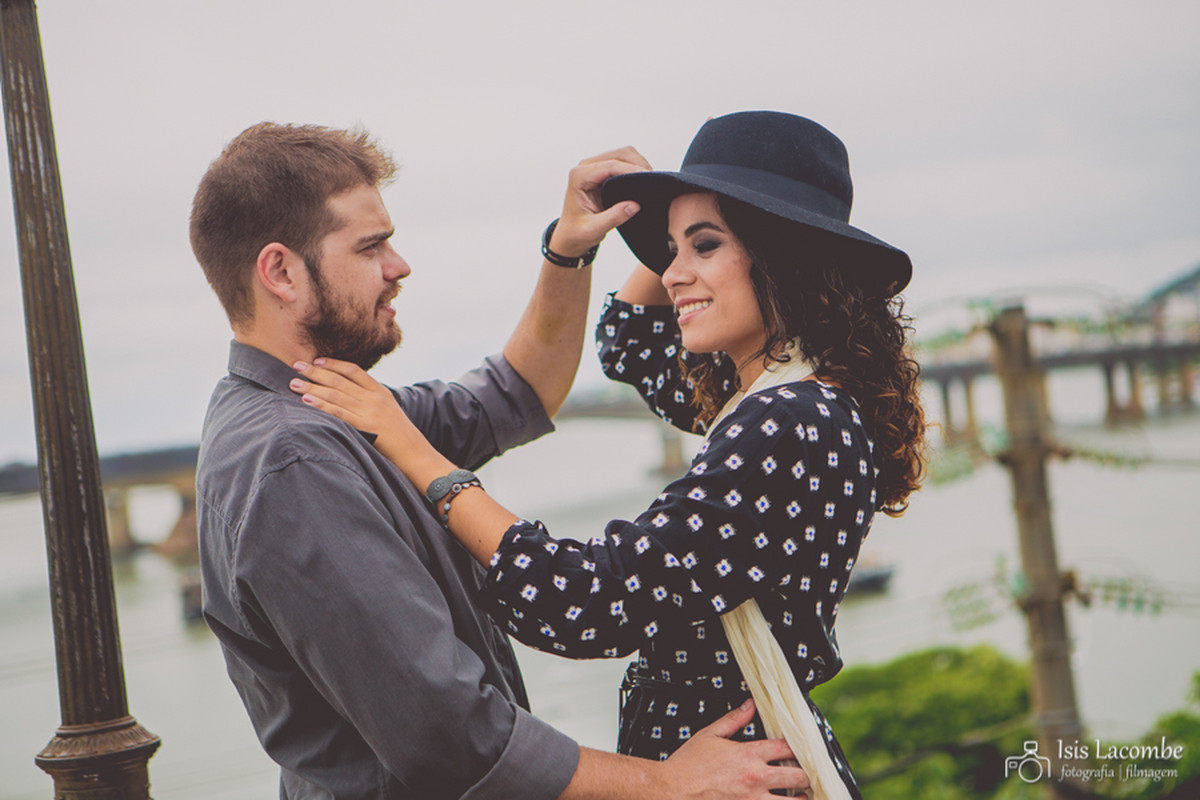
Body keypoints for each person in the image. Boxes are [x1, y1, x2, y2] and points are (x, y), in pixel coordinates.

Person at [289, 111, 926, 799]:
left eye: (703, 246)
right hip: (743, 760)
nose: (672, 272)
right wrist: (594, 238)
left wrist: (416, 453)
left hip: (730, 777)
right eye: (668, 249)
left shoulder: (787, 424)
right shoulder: (781, 395)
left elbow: (586, 600)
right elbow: (630, 341)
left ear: (784, 256)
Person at [189, 121, 811, 800]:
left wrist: (567, 251)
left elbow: (514, 395)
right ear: (279, 270)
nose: (399, 266)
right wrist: (666, 783)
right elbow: (449, 733)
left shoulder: (339, 407)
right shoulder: (293, 460)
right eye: (371, 247)